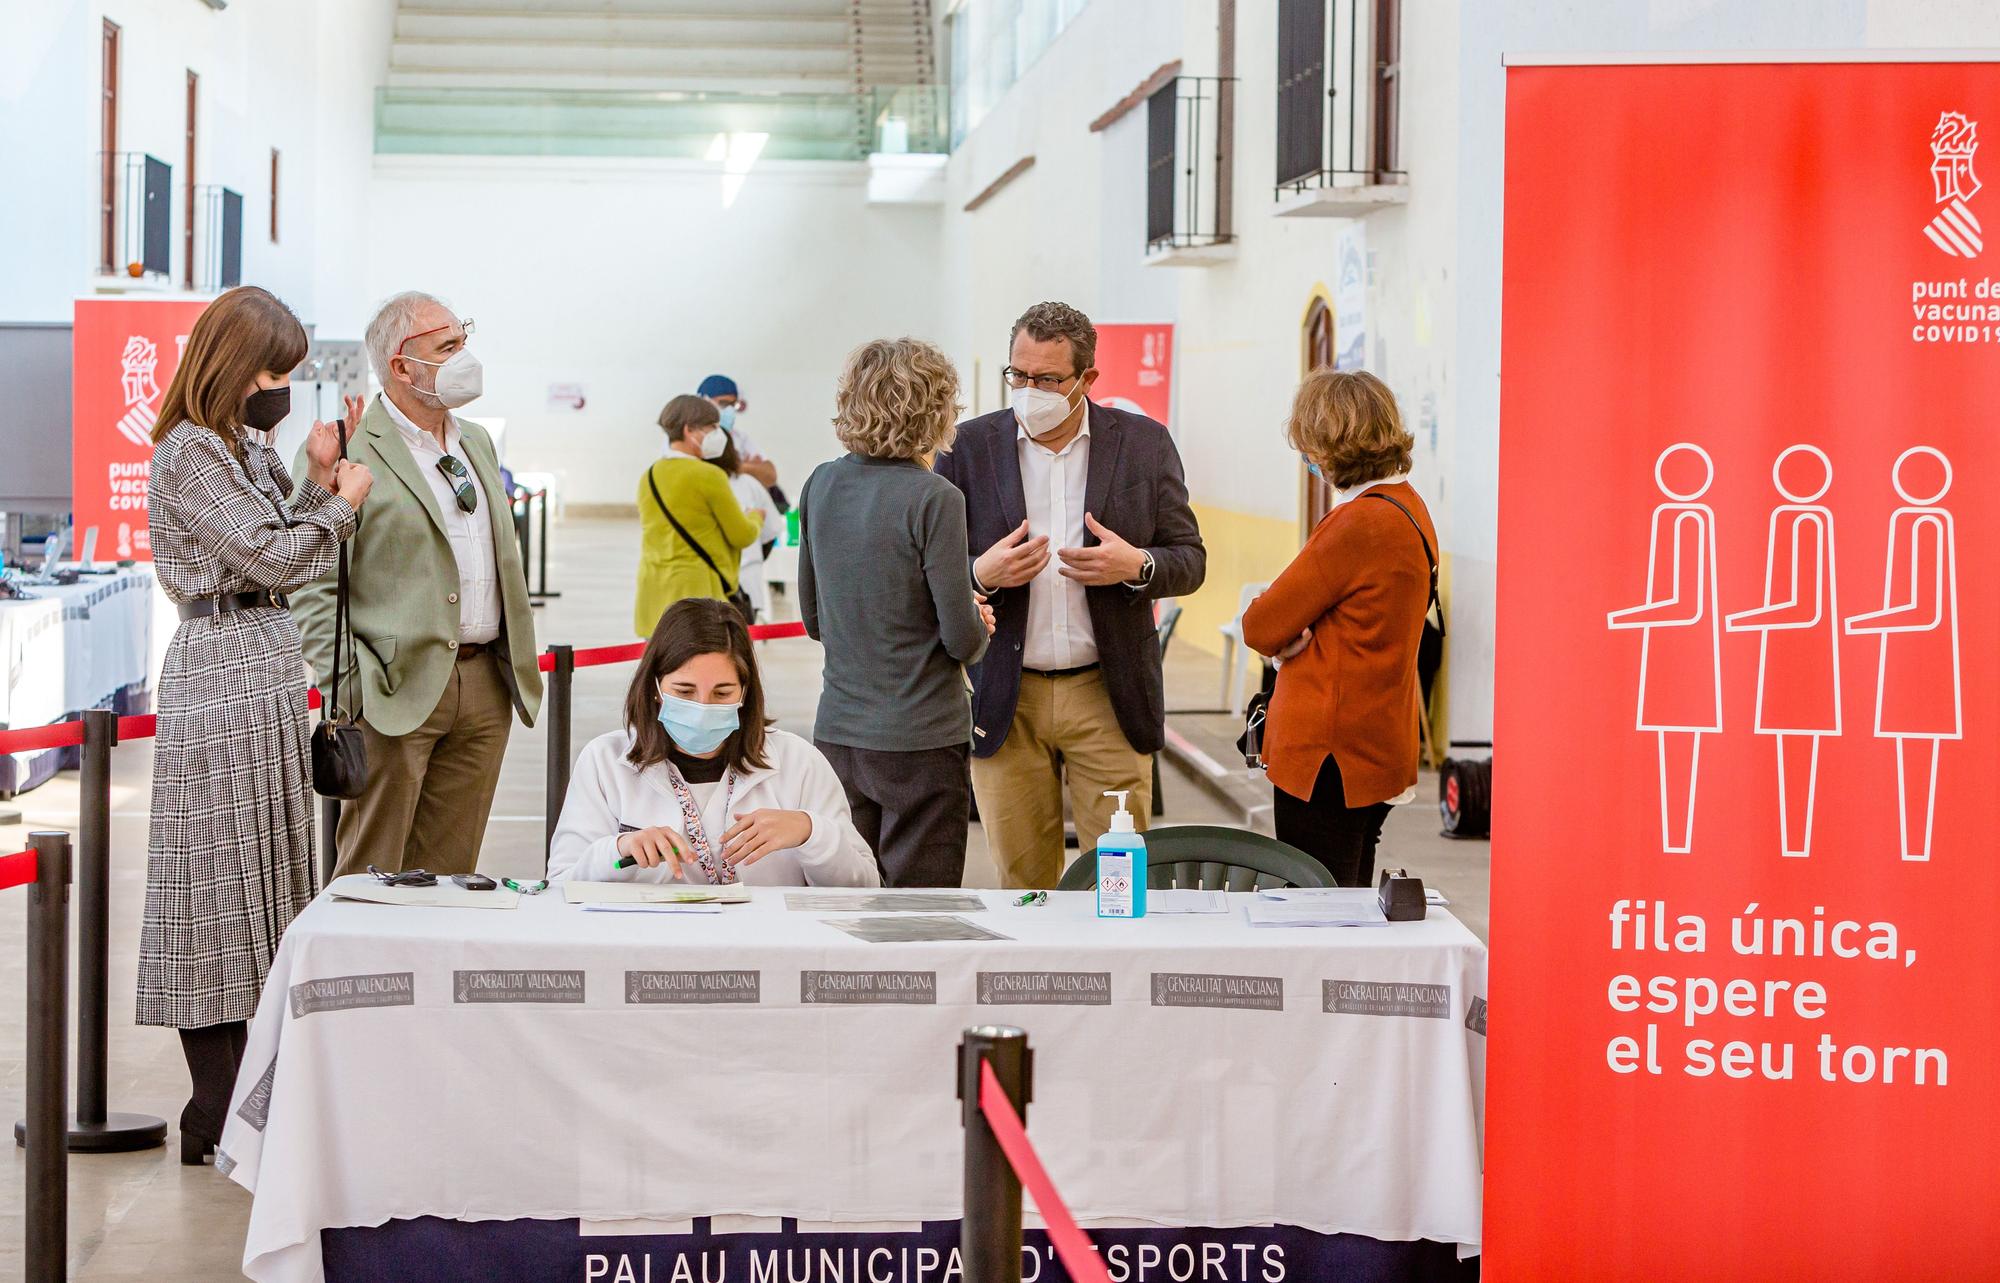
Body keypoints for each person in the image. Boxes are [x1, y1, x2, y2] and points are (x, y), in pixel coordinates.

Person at [140, 285, 373, 1164]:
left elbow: (290, 534)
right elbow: (279, 553)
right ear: (232, 364)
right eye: (274, 370)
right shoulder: (190, 452)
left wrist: (317, 482)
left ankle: (246, 1100)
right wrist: (340, 502)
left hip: (265, 666)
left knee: (268, 883)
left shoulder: (243, 444)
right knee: (213, 889)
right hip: (220, 670)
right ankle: (218, 1103)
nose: (282, 386)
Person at [934, 301, 1206, 889]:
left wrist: (1137, 565)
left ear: (1087, 379)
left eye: (1048, 379)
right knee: (1024, 886)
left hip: (1106, 693)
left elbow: (1190, 559)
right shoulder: (966, 448)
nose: (1030, 390)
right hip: (1008, 693)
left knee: (1120, 883)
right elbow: (926, 571)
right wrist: (980, 574)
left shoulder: (1142, 444)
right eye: (1019, 375)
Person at [292, 291, 544, 879]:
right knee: (372, 875)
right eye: (447, 346)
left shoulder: (475, 440)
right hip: (391, 691)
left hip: (485, 683)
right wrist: (350, 684)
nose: (465, 357)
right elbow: (310, 581)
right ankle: (356, 974)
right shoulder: (351, 445)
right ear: (402, 366)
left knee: (452, 875)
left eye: (464, 340)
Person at [799, 338, 995, 886]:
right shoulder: (934, 498)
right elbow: (960, 639)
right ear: (935, 412)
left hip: (839, 731)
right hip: (921, 738)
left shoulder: (821, 483)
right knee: (918, 909)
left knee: (844, 895)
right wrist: (978, 623)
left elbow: (814, 618)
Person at [1241, 369, 1437, 887]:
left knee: (1318, 903)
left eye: (1309, 447)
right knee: (1349, 894)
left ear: (1331, 445)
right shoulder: (1410, 508)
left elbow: (1260, 625)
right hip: (1378, 740)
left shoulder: (1358, 524)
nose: (1308, 460)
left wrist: (1290, 636)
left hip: (1329, 754)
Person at [549, 597, 880, 886]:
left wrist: (811, 832)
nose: (703, 706)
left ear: (745, 692)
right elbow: (560, 885)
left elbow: (864, 886)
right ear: (655, 688)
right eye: (684, 692)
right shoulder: (604, 761)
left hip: (771, 950)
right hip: (649, 949)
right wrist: (619, 851)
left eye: (722, 693)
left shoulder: (799, 762)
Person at [636, 395, 763, 636]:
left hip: (651, 592)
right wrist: (756, 517)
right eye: (712, 427)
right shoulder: (708, 475)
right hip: (695, 593)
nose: (718, 434)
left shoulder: (649, 475)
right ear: (689, 430)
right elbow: (742, 535)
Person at [707, 432, 784, 620]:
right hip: (746, 583)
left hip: (709, 583)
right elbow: (771, 532)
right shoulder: (749, 484)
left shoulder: (697, 483)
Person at [698, 373, 781, 495]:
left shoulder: (740, 437)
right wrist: (745, 466)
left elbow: (770, 475)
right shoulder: (689, 436)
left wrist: (739, 467)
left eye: (733, 405)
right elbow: (700, 473)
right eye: (723, 403)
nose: (729, 410)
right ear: (703, 402)